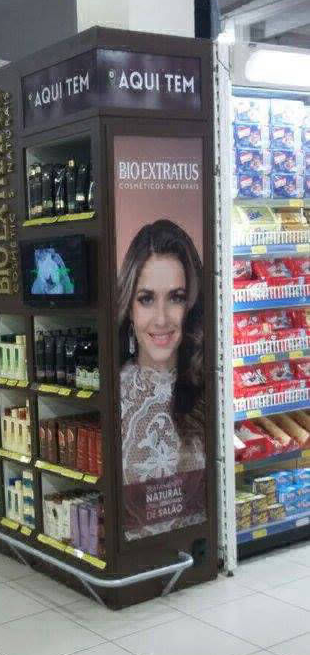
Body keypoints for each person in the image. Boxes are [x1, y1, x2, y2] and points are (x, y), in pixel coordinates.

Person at [118, 218, 205, 538]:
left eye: (176, 297)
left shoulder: (209, 385)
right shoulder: (114, 391)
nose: (161, 319)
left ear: (191, 306)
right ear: (129, 307)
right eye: (146, 298)